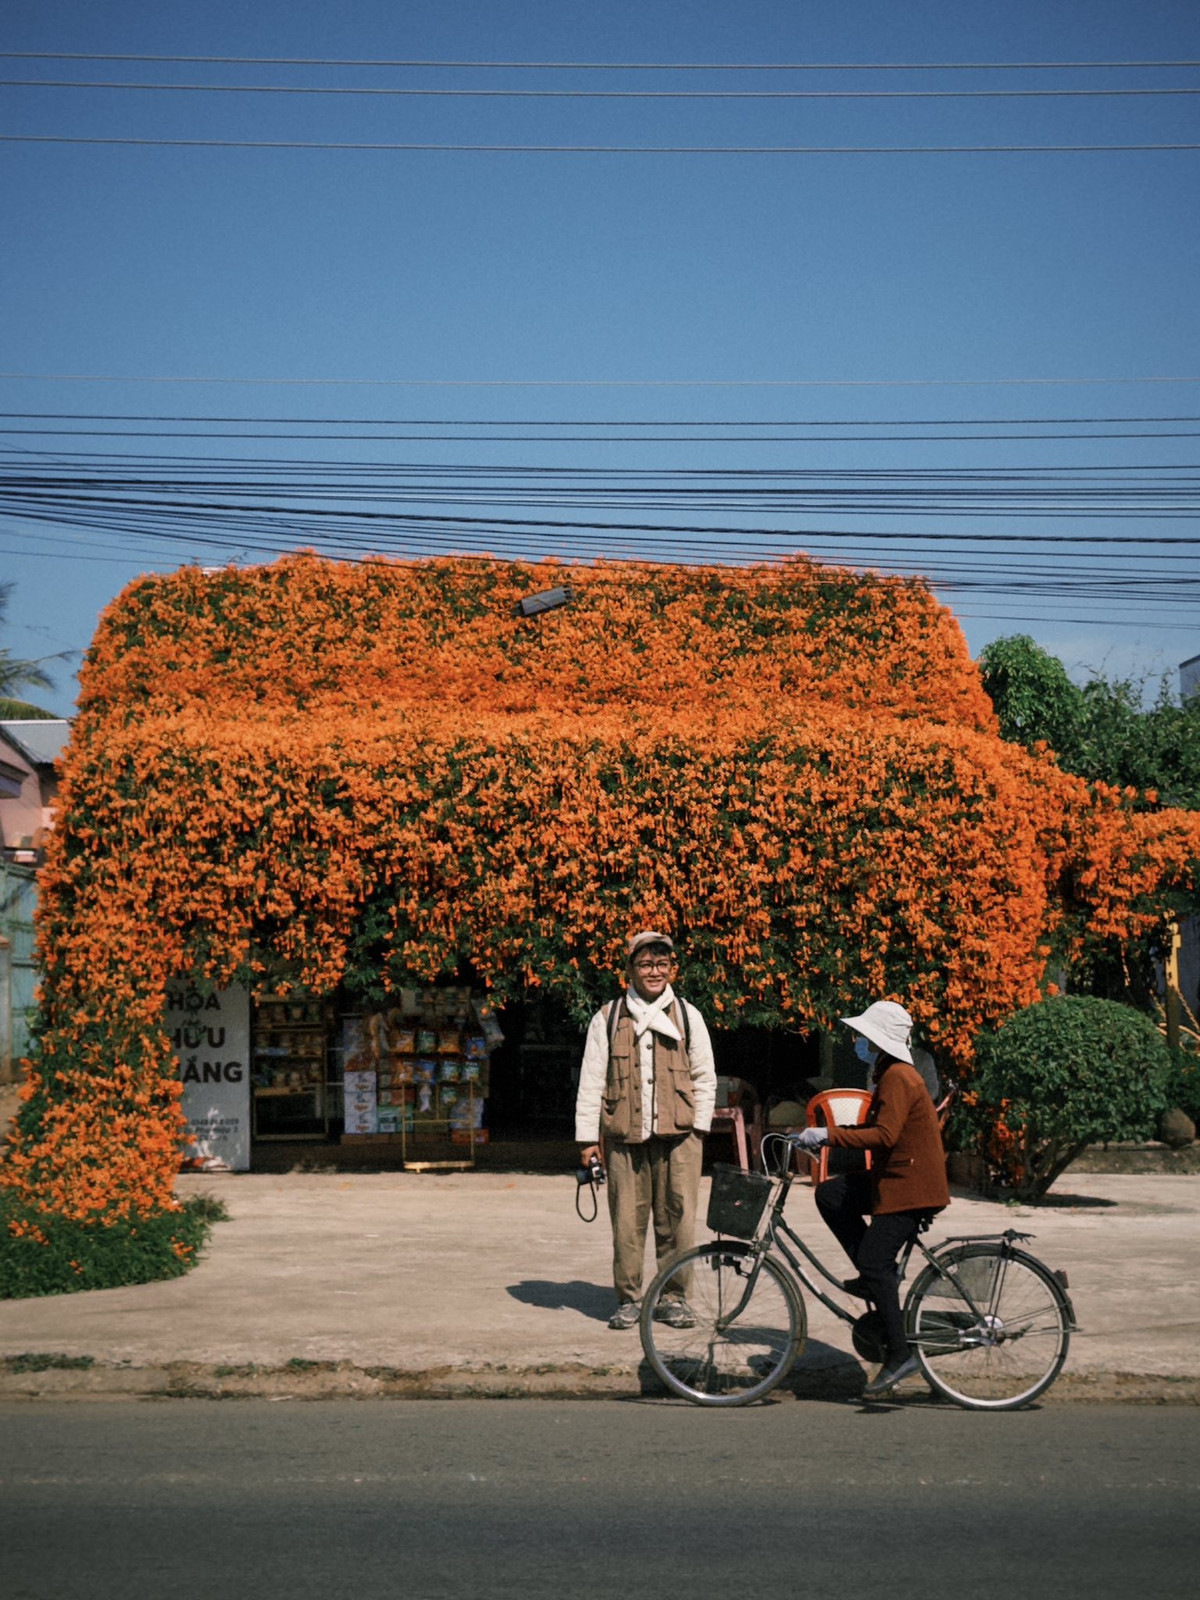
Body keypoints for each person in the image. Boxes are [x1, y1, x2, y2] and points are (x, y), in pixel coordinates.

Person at [793, 999, 950, 1398]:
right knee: (831, 1194)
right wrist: (829, 1131)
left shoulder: (899, 1076)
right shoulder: (887, 1071)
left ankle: (899, 1354)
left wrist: (828, 1135)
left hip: (910, 1186)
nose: (858, 1041)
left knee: (875, 1261)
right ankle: (874, 1280)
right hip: (893, 1177)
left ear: (879, 1040)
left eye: (864, 1035)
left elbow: (884, 1136)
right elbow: (876, 1126)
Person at [576, 930, 717, 1329]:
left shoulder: (689, 1015)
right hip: (624, 1138)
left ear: (672, 969)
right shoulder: (608, 1018)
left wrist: (698, 1130)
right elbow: (591, 1081)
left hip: (680, 1139)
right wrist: (588, 1140)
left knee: (678, 1221)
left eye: (662, 964)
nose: (654, 972)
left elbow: (705, 1077)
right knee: (627, 1223)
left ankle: (674, 1299)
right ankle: (629, 1299)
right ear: (630, 970)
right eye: (645, 964)